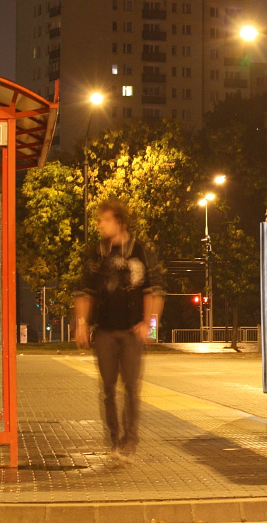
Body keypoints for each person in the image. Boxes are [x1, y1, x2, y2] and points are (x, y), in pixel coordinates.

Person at [74, 198, 164, 463]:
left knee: (132, 388)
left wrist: (149, 325)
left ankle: (130, 440)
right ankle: (114, 438)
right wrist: (81, 325)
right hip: (104, 332)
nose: (100, 224)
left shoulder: (140, 252)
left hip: (131, 333)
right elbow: (84, 292)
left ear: (120, 222)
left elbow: (154, 292)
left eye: (105, 219)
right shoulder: (96, 253)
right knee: (108, 389)